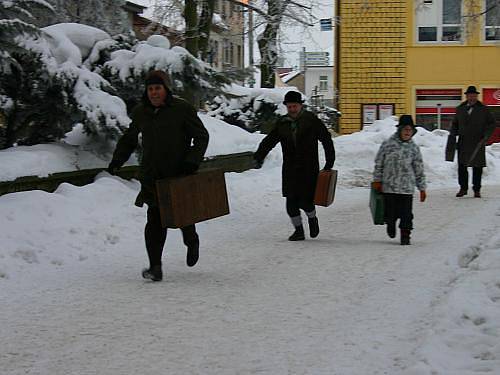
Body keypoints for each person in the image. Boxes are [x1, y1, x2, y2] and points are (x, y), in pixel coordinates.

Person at [107, 70, 209, 281]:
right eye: (150, 89)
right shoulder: (141, 112)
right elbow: (129, 139)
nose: (154, 92)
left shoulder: (182, 109)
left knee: (183, 216)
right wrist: (118, 159)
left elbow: (201, 137)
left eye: (158, 88)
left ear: (166, 89)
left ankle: (191, 240)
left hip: (178, 173)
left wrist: (191, 162)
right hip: (152, 176)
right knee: (154, 221)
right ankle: (155, 267)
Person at [253, 90, 335, 241]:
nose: (292, 109)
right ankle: (299, 231)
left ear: (300, 105)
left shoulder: (311, 120)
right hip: (290, 169)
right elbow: (270, 141)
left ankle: (312, 218)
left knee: (306, 202)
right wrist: (259, 156)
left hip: (308, 168)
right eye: (289, 107)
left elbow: (326, 139)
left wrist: (330, 160)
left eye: (294, 106)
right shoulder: (283, 123)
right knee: (290, 204)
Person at [372, 115, 426, 245]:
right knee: (391, 212)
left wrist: (422, 188)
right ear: (399, 130)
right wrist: (377, 180)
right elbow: (379, 163)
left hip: (407, 188)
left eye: (410, 130)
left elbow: (418, 168)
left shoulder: (414, 148)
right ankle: (390, 223)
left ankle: (405, 234)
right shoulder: (388, 144)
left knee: (406, 214)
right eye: (405, 129)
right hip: (389, 187)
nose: (407, 132)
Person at [447, 85, 495, 198]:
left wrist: (486, 136)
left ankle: (476, 189)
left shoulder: (483, 109)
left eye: (474, 95)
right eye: (470, 95)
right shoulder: (460, 109)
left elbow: (492, 123)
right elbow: (455, 123)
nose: (472, 97)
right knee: (462, 167)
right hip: (463, 142)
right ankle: (463, 188)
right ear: (467, 96)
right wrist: (453, 134)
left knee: (477, 167)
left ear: (477, 96)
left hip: (477, 142)